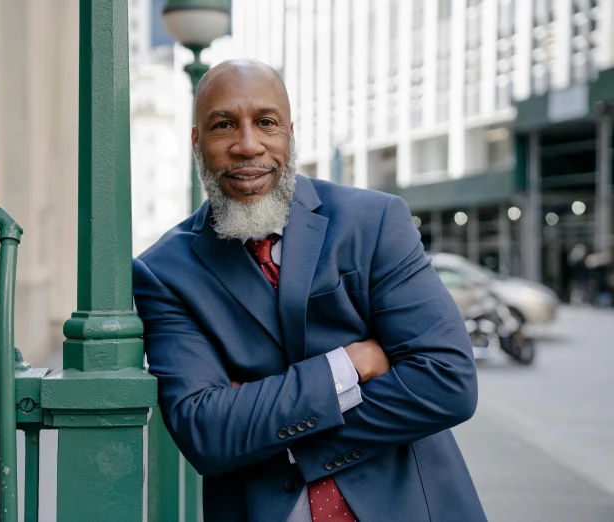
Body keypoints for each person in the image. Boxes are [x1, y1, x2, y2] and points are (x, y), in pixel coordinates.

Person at [133, 59, 485, 522]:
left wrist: (266, 425)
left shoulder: (373, 222)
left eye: (265, 122)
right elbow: (206, 432)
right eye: (223, 126)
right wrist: (348, 366)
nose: (247, 144)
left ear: (290, 133)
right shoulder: (163, 272)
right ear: (197, 142)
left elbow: (448, 381)